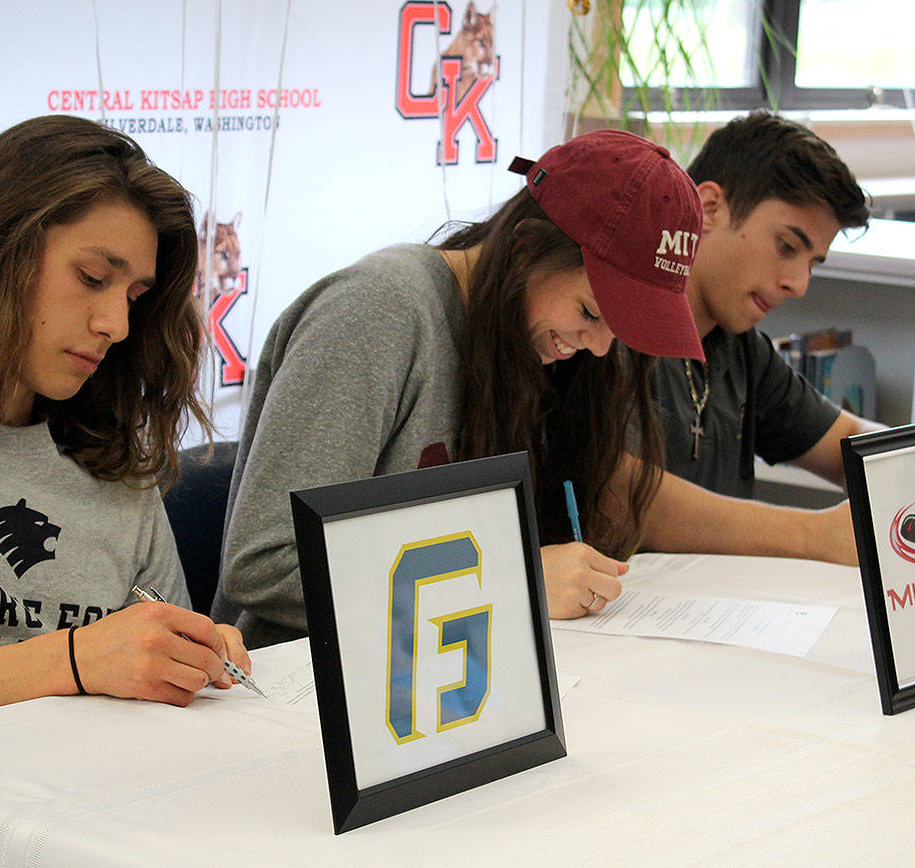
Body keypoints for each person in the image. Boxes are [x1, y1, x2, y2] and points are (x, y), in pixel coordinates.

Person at [218, 129, 708, 646]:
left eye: (622, 327)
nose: (600, 346)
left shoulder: (528, 343)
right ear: (523, 249)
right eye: (590, 312)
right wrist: (509, 585)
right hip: (301, 687)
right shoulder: (378, 311)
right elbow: (265, 567)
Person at [0, 115, 251, 730]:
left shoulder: (113, 463)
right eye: (90, 278)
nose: (116, 324)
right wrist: (72, 661)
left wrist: (188, 658)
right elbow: (80, 665)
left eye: (134, 296)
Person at [651, 111, 880, 566]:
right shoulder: (608, 329)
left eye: (812, 263)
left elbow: (850, 442)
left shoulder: (738, 345)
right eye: (787, 247)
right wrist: (815, 534)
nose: (799, 284)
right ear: (710, 208)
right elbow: (630, 497)